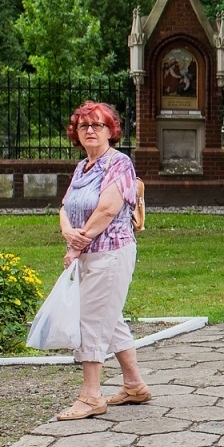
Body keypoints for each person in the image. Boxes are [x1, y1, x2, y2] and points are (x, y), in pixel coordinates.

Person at [54, 101, 149, 421]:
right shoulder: (83, 167)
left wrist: (79, 242)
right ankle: (134, 386)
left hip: (111, 252)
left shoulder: (119, 164)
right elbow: (65, 207)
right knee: (109, 317)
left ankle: (91, 396)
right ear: (76, 134)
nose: (90, 131)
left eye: (98, 125)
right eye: (84, 126)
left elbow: (109, 208)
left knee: (91, 321)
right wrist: (70, 234)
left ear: (111, 131)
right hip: (88, 253)